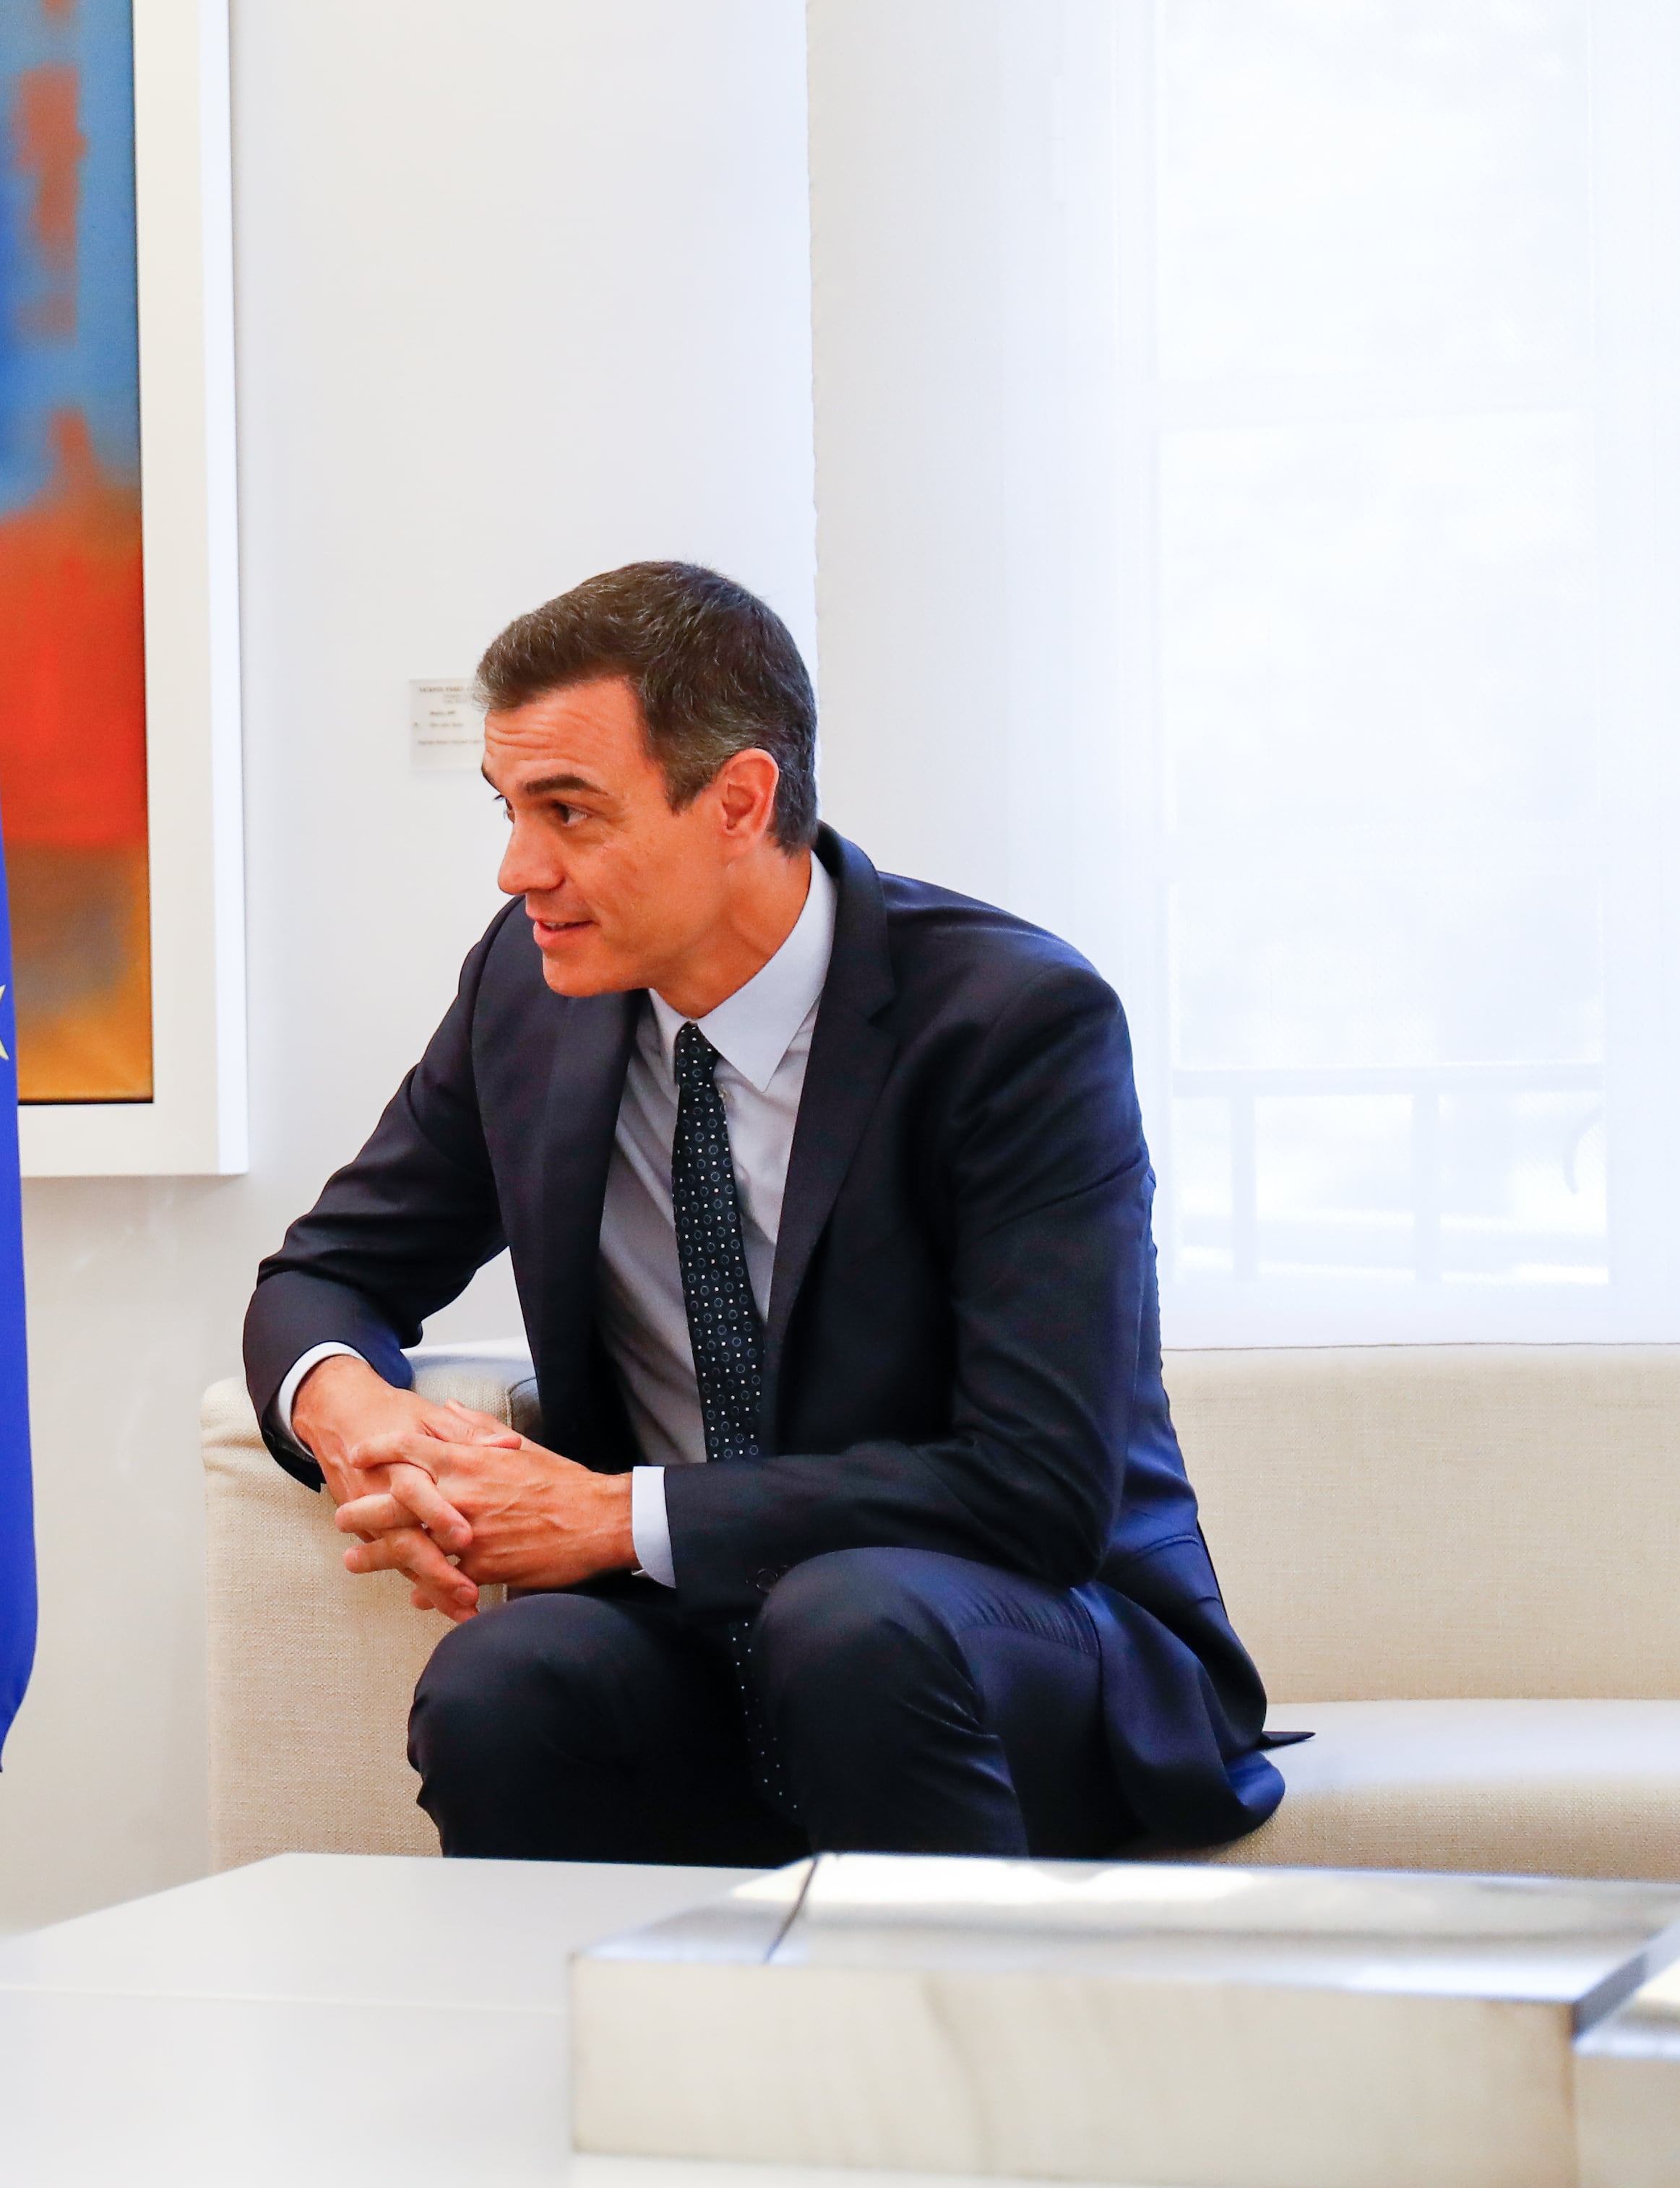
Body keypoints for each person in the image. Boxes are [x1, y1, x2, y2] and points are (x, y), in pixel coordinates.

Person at [244, 562, 1287, 1867]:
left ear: (738, 799)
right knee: (502, 1679)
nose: (520, 868)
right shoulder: (528, 992)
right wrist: (358, 1417)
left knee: (848, 1621)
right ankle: (592, 2062)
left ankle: (928, 2069)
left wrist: (614, 1516)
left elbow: (1038, 1487)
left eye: (569, 811)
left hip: (1010, 1635)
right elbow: (324, 1275)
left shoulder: (1014, 1025)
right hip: (699, 1641)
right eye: (508, 808)